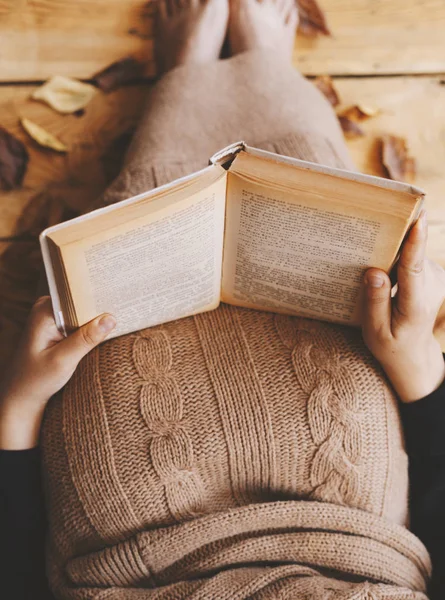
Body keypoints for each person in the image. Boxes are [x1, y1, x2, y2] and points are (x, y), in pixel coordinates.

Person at [1, 0, 445, 598]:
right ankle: (259, 70)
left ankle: (183, 77)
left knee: (131, 230)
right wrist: (421, 371)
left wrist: (19, 403)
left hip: (127, 541)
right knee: (323, 215)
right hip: (349, 532)